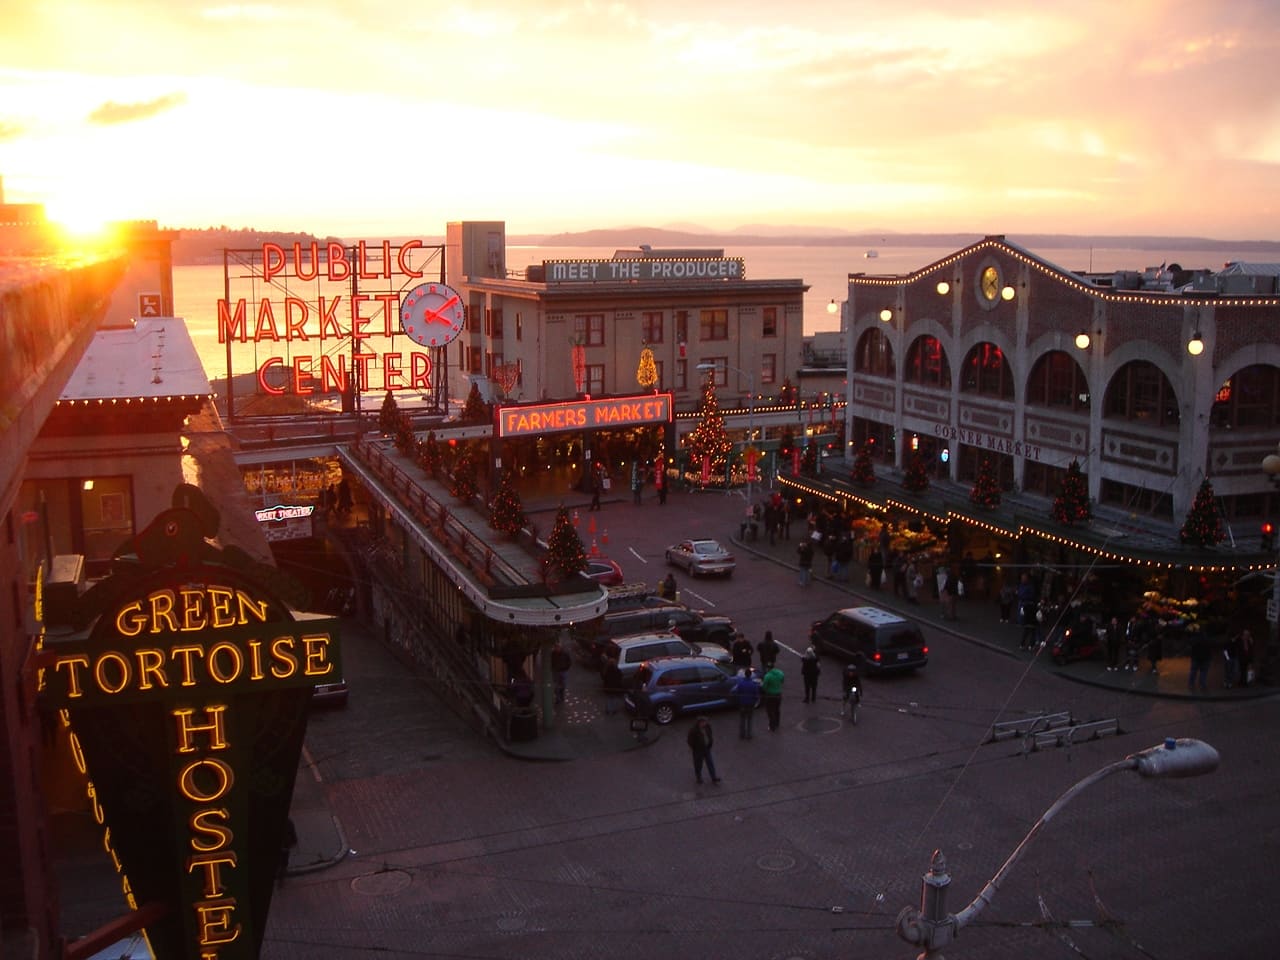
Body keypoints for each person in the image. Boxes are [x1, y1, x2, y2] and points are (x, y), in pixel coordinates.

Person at [686, 716, 720, 784]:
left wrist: (710, 742)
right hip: (698, 751)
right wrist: (694, 748)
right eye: (704, 722)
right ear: (700, 723)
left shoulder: (707, 727)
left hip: (707, 748)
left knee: (710, 763)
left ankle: (713, 777)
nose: (705, 723)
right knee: (698, 764)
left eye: (706, 722)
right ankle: (699, 777)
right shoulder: (693, 730)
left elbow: (710, 734)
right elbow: (689, 741)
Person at [732, 668, 761, 739]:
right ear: (750, 675)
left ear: (745, 675)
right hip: (750, 704)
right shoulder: (753, 684)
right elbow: (756, 695)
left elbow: (736, 692)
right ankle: (749, 735)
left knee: (742, 719)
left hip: (742, 703)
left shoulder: (740, 683)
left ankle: (742, 734)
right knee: (749, 720)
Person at [760, 662, 785, 732]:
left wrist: (762, 685)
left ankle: (772, 726)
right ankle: (777, 723)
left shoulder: (767, 676)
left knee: (770, 711)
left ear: (768, 668)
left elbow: (764, 687)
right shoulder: (780, 673)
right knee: (777, 710)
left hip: (770, 695)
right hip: (778, 694)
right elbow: (782, 681)